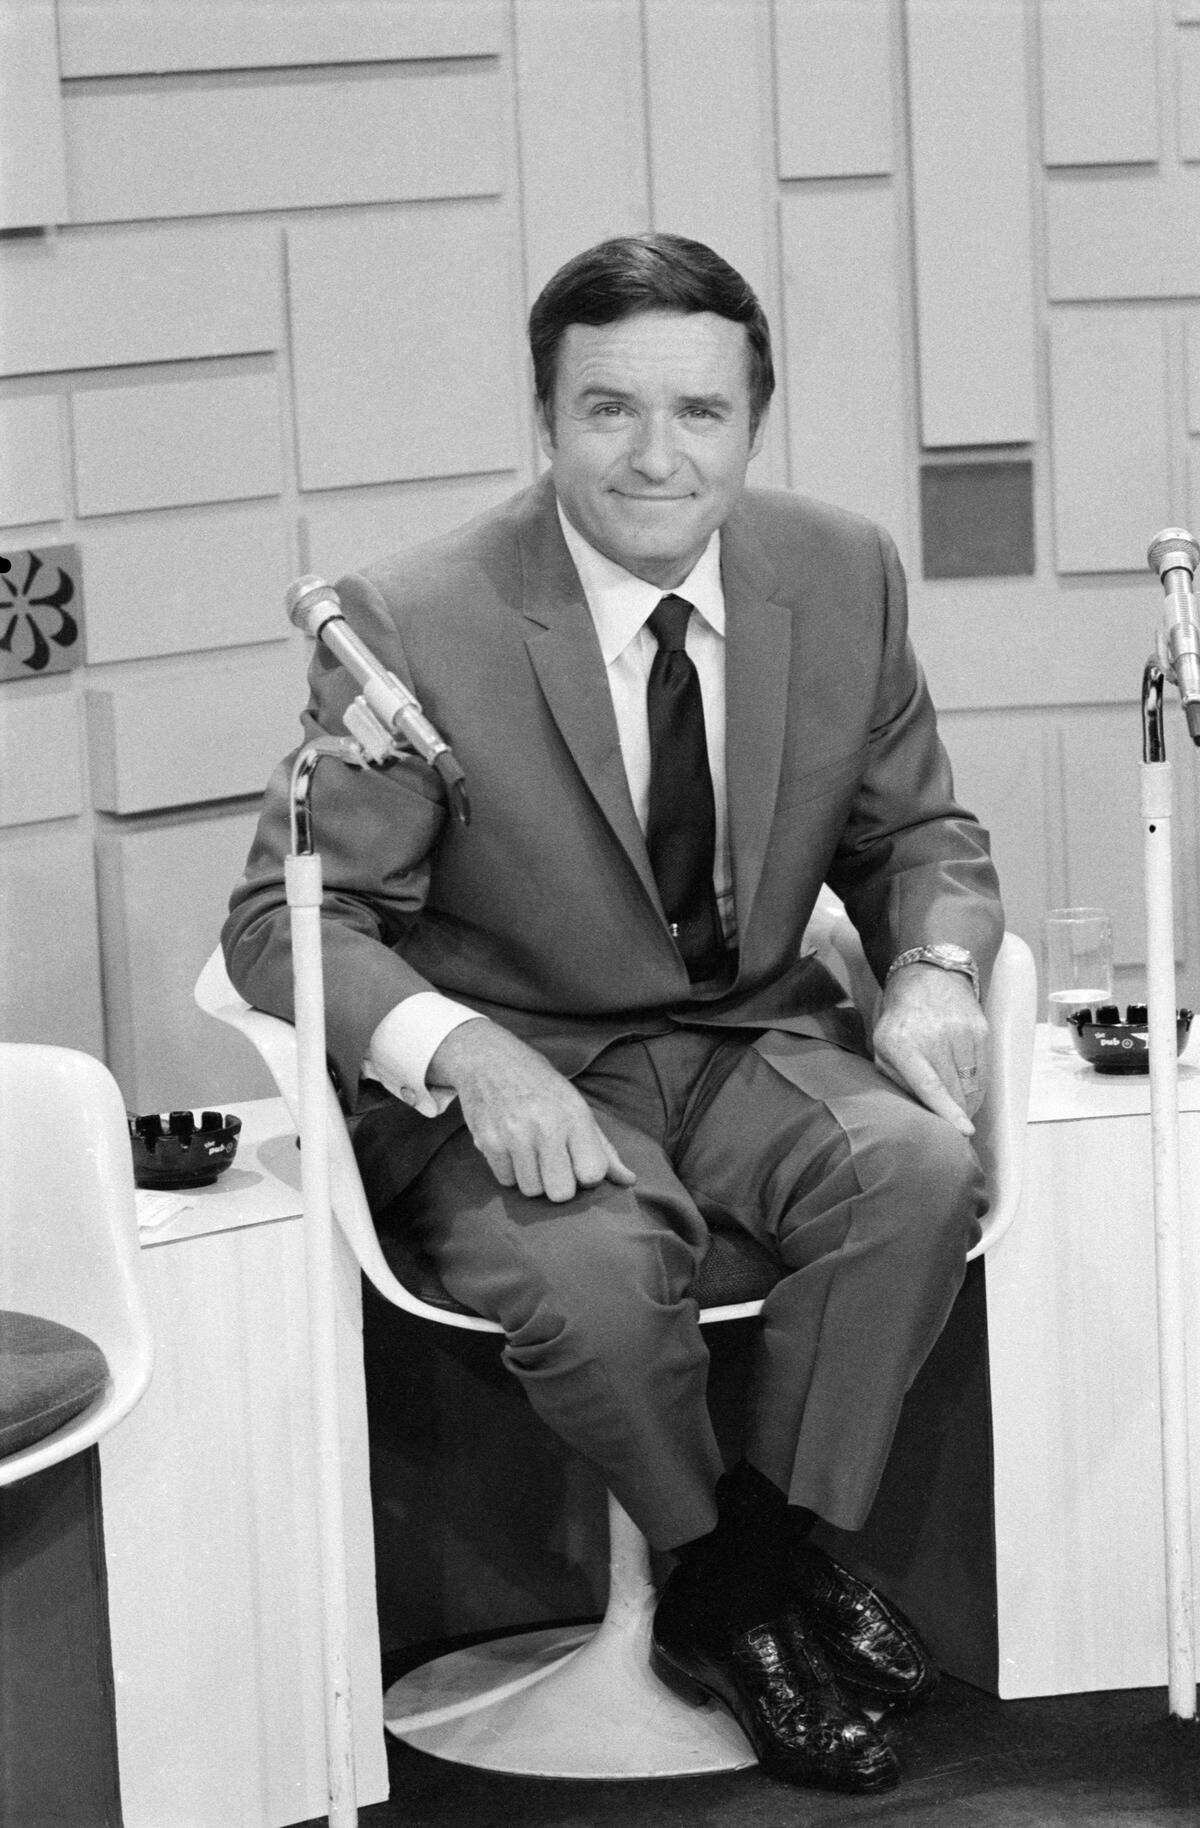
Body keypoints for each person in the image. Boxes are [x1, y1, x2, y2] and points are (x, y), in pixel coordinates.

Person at [224, 232, 1003, 1795]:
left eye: (699, 412)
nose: (657, 456)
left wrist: (932, 967)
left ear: (753, 422)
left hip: (753, 1042)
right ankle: (753, 1593)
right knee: (591, 1275)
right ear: (546, 417)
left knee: (921, 1175)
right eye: (609, 410)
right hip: (528, 1068)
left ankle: (742, 1577)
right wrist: (466, 1053)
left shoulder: (842, 570)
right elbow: (282, 926)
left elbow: (919, 832)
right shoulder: (410, 618)